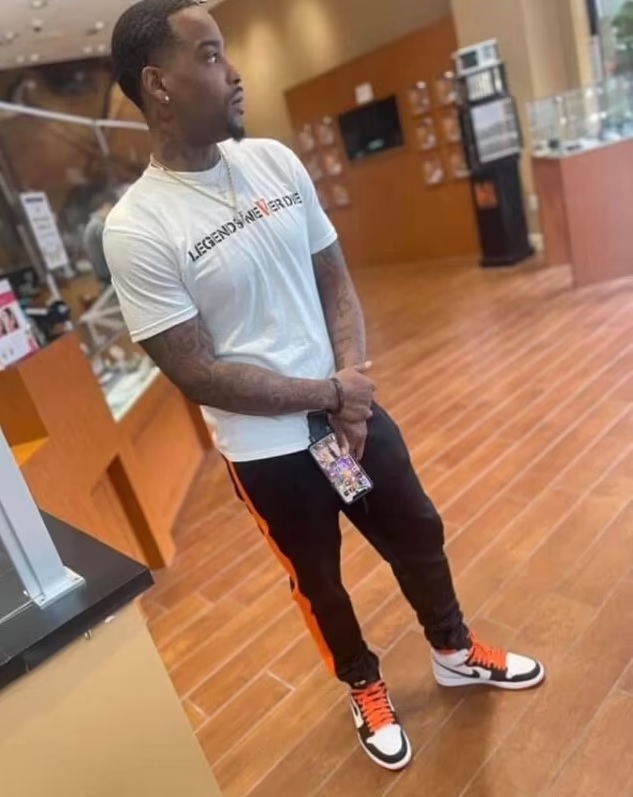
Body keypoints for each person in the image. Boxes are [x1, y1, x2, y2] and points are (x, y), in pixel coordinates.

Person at [105, 0, 545, 772]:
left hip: (344, 424)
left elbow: (334, 278)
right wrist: (329, 396)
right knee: (320, 582)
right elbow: (196, 370)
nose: (234, 72)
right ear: (158, 85)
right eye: (209, 55)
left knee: (415, 530)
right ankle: (363, 683)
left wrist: (351, 385)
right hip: (270, 452)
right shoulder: (138, 227)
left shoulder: (274, 162)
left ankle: (452, 649)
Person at [83, 191, 119, 288]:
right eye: (112, 207)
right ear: (105, 206)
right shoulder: (99, 226)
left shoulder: (91, 225)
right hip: (107, 275)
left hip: (101, 275)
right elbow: (112, 251)